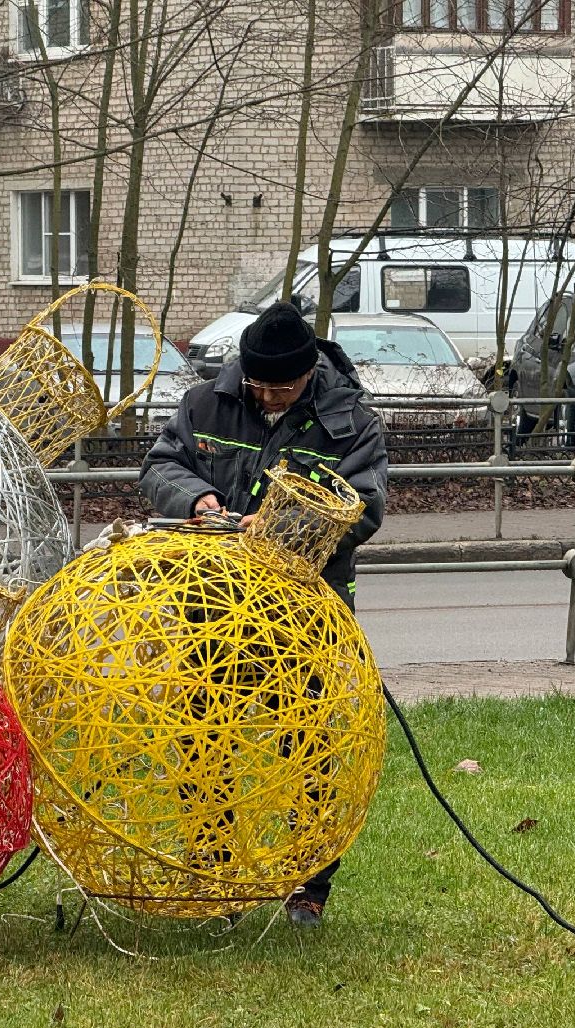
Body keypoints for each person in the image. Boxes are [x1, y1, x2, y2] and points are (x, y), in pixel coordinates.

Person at [140, 300, 389, 928]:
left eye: (283, 388)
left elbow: (362, 506)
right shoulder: (204, 404)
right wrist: (196, 499)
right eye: (259, 386)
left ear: (308, 374)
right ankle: (212, 874)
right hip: (212, 607)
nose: (270, 397)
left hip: (306, 613)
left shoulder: (349, 419)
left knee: (309, 749)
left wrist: (281, 528)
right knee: (203, 743)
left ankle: (309, 885)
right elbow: (162, 463)